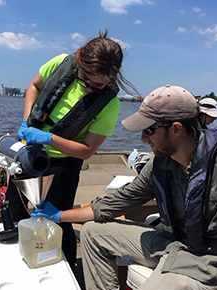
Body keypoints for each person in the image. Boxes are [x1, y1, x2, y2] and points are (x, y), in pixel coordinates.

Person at [32, 84, 217, 290]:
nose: (142, 138)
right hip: (170, 242)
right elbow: (117, 201)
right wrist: (57, 216)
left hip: (208, 263)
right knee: (93, 233)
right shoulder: (160, 164)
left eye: (148, 130)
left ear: (175, 130)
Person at [18, 30, 139, 267]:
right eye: (86, 80)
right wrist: (27, 123)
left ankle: (66, 269)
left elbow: (86, 150)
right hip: (29, 151)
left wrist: (47, 138)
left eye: (99, 85)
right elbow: (34, 86)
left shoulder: (109, 104)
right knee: (18, 209)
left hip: (64, 162)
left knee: (57, 221)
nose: (89, 88)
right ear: (80, 59)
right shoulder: (60, 63)